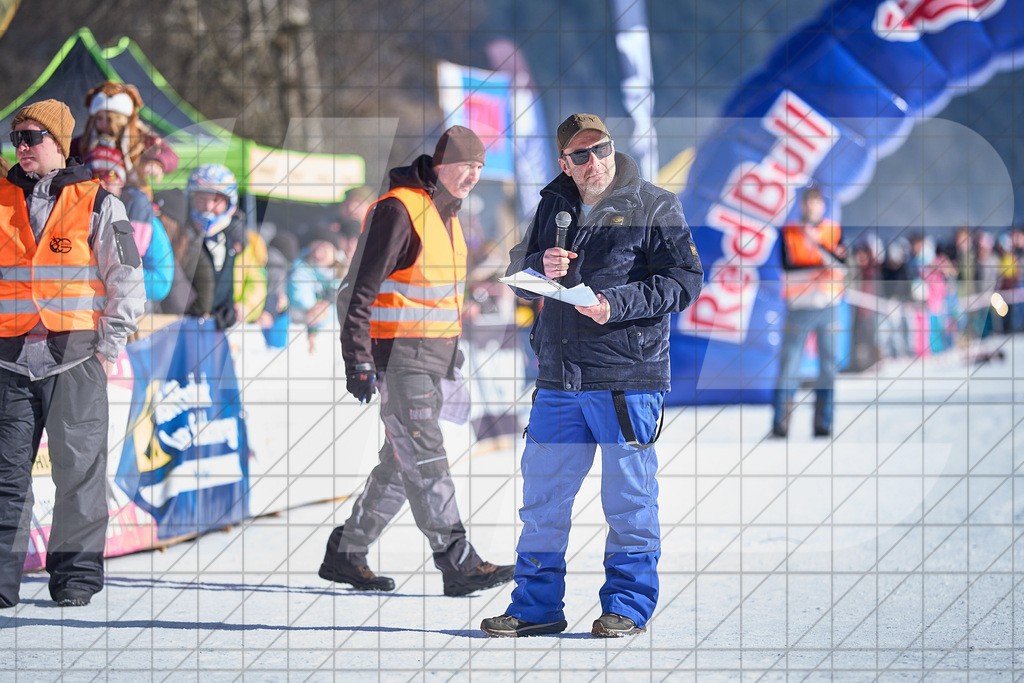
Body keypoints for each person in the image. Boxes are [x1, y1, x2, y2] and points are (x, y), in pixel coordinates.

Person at [481, 113, 704, 638]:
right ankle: (537, 608)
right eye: (580, 155)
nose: (594, 161)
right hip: (559, 378)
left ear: (611, 148)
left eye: (600, 149)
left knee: (627, 500)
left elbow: (685, 281)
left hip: (627, 376)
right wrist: (540, 265)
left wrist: (616, 304)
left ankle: (626, 605)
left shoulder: (654, 203)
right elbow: (521, 276)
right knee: (541, 503)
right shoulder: (552, 202)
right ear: (565, 163)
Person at [320, 126, 515, 596]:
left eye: (479, 167)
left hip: (433, 360)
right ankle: (457, 559)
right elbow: (357, 291)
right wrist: (358, 360)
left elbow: (437, 299)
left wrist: (453, 351)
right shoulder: (398, 211)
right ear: (440, 163)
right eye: (466, 164)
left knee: (401, 462)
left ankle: (348, 550)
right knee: (427, 458)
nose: (473, 175)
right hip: (399, 360)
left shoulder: (446, 216)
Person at [0, 99, 145, 608]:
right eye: (15, 137)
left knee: (79, 477)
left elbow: (127, 281)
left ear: (59, 144)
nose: (21, 146)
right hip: (9, 363)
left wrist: (109, 348)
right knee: (4, 477)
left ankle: (75, 580)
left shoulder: (102, 203)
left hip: (76, 361)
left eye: (32, 137)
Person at [770, 185, 845, 439]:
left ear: (822, 205)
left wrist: (816, 244)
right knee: (789, 365)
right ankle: (781, 423)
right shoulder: (790, 232)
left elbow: (842, 264)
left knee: (828, 366)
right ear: (802, 205)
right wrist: (817, 268)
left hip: (828, 306)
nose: (812, 206)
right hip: (798, 307)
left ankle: (823, 423)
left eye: (817, 201)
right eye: (808, 201)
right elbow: (788, 269)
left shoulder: (833, 231)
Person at [182, 164, 267, 330]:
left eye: (215, 200)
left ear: (229, 203)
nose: (208, 207)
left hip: (226, 328)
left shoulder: (242, 241)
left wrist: (245, 308)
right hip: (186, 327)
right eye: (201, 200)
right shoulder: (179, 236)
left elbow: (256, 281)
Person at [70, 81, 179, 197]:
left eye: (109, 119)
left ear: (121, 119)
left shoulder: (141, 140)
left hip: (131, 192)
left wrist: (158, 163)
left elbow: (172, 156)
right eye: (99, 118)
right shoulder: (85, 142)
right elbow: (68, 157)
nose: (103, 124)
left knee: (139, 199)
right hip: (94, 192)